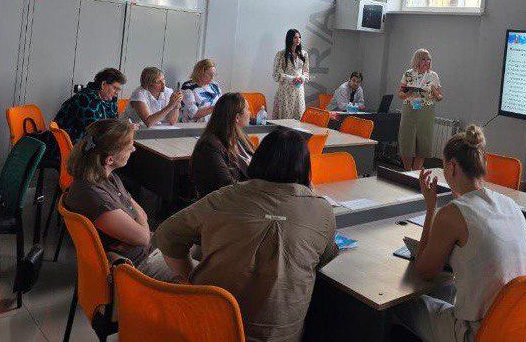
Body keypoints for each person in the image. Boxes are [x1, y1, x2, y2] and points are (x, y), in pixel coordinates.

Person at [156, 128, 338, 342]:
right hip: (282, 336)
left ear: (257, 159)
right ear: (306, 168)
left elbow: (167, 234)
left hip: (211, 327)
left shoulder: (224, 198)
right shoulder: (322, 210)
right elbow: (325, 258)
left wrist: (190, 278)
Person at [393, 126, 526, 342]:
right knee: (447, 293)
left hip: (475, 333)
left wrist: (431, 208)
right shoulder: (510, 204)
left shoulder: (452, 214)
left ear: (451, 166)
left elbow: (425, 271)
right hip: (514, 326)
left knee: (400, 306)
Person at [64, 118, 176, 281]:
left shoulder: (108, 178)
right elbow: (143, 237)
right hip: (140, 264)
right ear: (109, 160)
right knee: (205, 276)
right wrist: (140, 224)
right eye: (129, 146)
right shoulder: (94, 197)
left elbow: (141, 214)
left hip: (147, 249)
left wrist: (140, 223)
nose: (133, 149)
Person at [191, 93, 256, 198]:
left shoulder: (241, 137)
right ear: (237, 117)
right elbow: (226, 187)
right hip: (226, 202)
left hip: (248, 196)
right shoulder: (209, 147)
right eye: (247, 109)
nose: (250, 113)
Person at [397, 49, 443, 171]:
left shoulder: (433, 76)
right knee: (407, 138)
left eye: (429, 59)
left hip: (426, 110)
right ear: (417, 60)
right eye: (423, 59)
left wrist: (434, 92)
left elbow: (440, 97)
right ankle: (407, 170)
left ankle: (416, 171)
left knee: (424, 140)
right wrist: (409, 92)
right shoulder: (408, 74)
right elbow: (400, 94)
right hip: (410, 108)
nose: (427, 62)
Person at [55, 68, 126, 143]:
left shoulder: (111, 100)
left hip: (89, 142)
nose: (117, 92)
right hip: (72, 144)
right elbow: (95, 131)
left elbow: (114, 124)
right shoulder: (86, 99)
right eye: (114, 88)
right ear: (103, 84)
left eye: (118, 89)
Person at [272, 29, 310, 120]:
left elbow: (306, 72)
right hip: (285, 90)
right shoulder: (281, 54)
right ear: (290, 39)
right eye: (295, 37)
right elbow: (276, 74)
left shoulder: (304, 54)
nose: (298, 39)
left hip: (298, 90)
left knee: (299, 116)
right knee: (285, 117)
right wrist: (292, 78)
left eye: (299, 37)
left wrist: (302, 77)